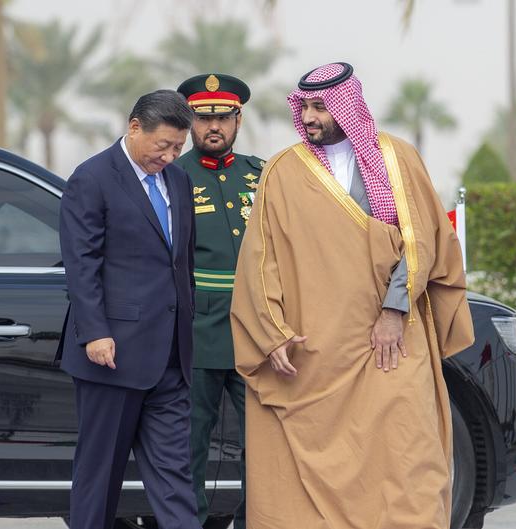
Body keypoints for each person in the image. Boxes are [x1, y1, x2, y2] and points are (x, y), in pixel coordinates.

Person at [230, 62, 474, 529]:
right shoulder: (283, 170)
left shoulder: (397, 160)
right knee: (300, 476)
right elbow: (262, 258)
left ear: (348, 106)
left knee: (409, 453)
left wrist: (392, 310)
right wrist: (271, 332)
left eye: (321, 106)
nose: (311, 117)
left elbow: (420, 240)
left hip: (393, 339)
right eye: (304, 107)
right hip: (315, 351)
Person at [58, 89, 201, 529]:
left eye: (179, 148)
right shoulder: (93, 177)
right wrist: (95, 331)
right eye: (163, 146)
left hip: (171, 357)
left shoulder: (177, 181)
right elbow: (82, 264)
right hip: (112, 354)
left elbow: (183, 261)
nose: (171, 156)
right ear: (134, 127)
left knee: (176, 472)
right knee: (100, 476)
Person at [174, 73, 262, 529]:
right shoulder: (172, 175)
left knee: (263, 442)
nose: (214, 127)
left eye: (223, 118)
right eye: (204, 118)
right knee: (190, 442)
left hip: (255, 327)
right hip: (196, 327)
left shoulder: (260, 174)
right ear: (189, 120)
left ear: (238, 119)